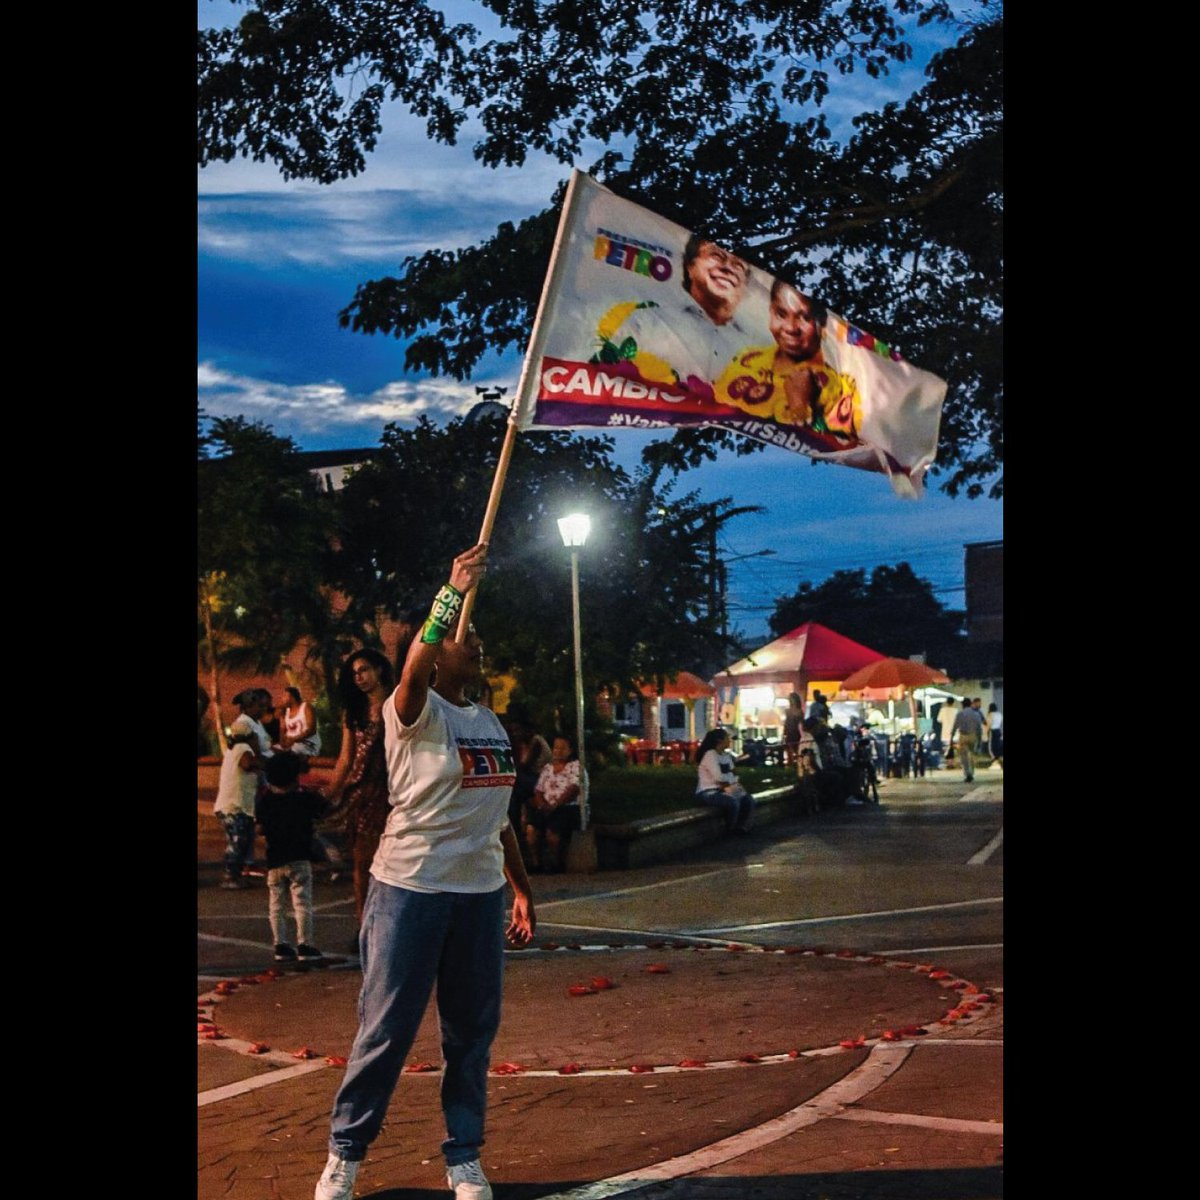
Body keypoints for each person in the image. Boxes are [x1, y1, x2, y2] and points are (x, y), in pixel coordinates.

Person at [315, 542, 535, 1200]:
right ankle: (345, 1155)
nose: (478, 644)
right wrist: (451, 594)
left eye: (478, 637)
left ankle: (464, 1157)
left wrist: (521, 889)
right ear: (436, 653)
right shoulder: (411, 713)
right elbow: (410, 668)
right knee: (386, 1029)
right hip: (410, 891)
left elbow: (498, 818)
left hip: (478, 897)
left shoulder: (490, 723)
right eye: (467, 637)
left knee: (471, 1033)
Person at [589, 233, 754, 398]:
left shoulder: (755, 350)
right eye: (716, 255)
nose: (727, 268)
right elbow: (598, 373)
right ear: (690, 266)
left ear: (746, 287)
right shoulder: (648, 319)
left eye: (738, 265)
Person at [713, 280, 863, 444]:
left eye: (804, 318)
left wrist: (800, 407)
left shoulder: (832, 386)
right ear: (770, 312)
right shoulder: (748, 358)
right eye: (781, 314)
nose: (791, 328)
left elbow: (836, 446)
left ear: (822, 323)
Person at [322, 648, 394, 929]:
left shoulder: (398, 704)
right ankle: (364, 924)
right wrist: (329, 793)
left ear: (379, 670)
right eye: (354, 673)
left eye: (363, 670)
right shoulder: (354, 713)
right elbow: (345, 758)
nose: (359, 677)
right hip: (363, 794)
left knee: (396, 866)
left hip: (395, 791)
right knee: (363, 863)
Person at [257, 751, 330, 963]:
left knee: (276, 904)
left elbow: (260, 828)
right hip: (299, 857)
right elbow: (324, 809)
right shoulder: (304, 798)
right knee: (302, 902)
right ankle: (305, 944)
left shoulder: (266, 800)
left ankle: (280, 944)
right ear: (295, 775)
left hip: (275, 859)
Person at [523, 733, 582, 873]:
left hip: (566, 808)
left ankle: (556, 864)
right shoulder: (548, 768)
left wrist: (555, 805)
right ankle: (537, 864)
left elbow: (573, 788)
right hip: (546, 807)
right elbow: (538, 790)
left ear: (570, 750)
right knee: (531, 830)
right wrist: (542, 804)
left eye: (562, 748)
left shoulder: (576, 766)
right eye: (555, 748)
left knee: (552, 833)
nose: (558, 751)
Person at [213, 726, 262, 889]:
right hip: (234, 806)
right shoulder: (242, 748)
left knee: (242, 840)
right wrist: (261, 764)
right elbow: (247, 764)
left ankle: (238, 875)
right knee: (237, 841)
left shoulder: (232, 749)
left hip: (237, 806)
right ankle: (230, 876)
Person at [694, 728, 754, 833]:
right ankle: (730, 829)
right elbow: (718, 777)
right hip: (709, 791)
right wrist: (730, 779)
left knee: (748, 800)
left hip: (726, 788)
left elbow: (735, 774)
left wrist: (729, 781)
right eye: (727, 738)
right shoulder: (710, 755)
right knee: (732, 803)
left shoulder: (726, 756)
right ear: (719, 740)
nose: (730, 740)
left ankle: (741, 826)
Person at [506, 715, 552, 849]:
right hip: (529, 780)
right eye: (513, 731)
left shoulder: (536, 741)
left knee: (514, 779)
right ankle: (514, 826)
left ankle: (514, 825)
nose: (516, 734)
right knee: (513, 793)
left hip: (541, 779)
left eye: (518, 730)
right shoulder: (522, 745)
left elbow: (524, 765)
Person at [278, 685, 321, 760]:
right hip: (291, 745)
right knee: (273, 751)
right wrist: (281, 718)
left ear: (292, 697)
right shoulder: (286, 711)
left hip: (307, 744)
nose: (282, 699)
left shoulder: (306, 707)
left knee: (290, 753)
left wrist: (294, 739)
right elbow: (283, 732)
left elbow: (312, 730)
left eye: (284, 696)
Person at [951, 699, 985, 783]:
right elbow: (979, 728)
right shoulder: (976, 714)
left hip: (963, 736)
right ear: (970, 704)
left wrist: (951, 737)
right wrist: (980, 740)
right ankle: (972, 773)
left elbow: (955, 726)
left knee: (963, 756)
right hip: (973, 736)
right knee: (972, 755)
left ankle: (967, 774)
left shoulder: (960, 714)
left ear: (962, 705)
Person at [782, 692, 804, 767]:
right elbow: (786, 723)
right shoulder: (790, 711)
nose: (790, 700)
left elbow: (801, 724)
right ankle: (792, 766)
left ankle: (797, 766)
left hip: (796, 733)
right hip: (790, 732)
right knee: (790, 752)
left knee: (797, 751)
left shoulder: (798, 711)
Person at [936, 697, 959, 763]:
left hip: (945, 732)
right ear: (953, 703)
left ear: (946, 702)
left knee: (946, 748)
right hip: (954, 733)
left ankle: (949, 762)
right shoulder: (956, 710)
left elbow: (939, 720)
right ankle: (953, 762)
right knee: (954, 748)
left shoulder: (943, 710)